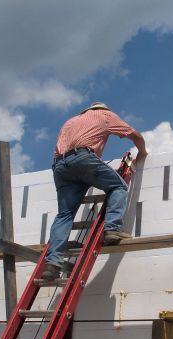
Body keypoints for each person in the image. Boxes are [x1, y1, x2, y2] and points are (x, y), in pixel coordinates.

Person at [43, 102, 148, 280]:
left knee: (64, 215)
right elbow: (135, 135)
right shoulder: (104, 116)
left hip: (59, 166)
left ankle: (52, 264)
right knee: (118, 186)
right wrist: (142, 153)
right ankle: (112, 229)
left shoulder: (71, 121)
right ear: (102, 109)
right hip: (82, 159)